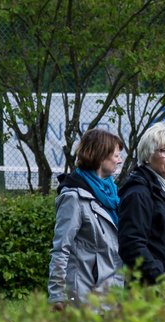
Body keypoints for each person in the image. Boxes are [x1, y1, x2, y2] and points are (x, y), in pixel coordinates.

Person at [49, 128, 125, 309]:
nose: (120, 160)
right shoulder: (73, 198)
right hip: (84, 295)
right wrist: (57, 295)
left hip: (112, 291)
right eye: (116, 155)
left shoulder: (111, 194)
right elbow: (61, 249)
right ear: (100, 157)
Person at [118, 123, 165, 284]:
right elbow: (132, 246)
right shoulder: (138, 193)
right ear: (147, 155)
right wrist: (163, 280)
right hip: (153, 292)